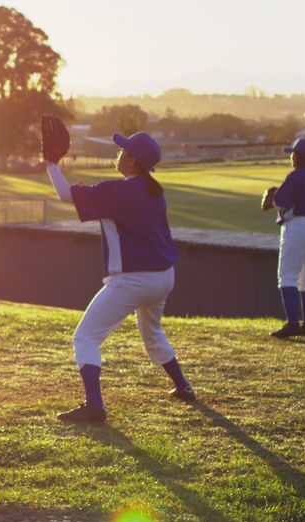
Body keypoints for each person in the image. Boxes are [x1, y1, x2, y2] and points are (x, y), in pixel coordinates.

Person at [45, 132, 195, 425]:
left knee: (85, 337)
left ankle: (94, 407)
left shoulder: (121, 192)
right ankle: (183, 386)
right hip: (164, 277)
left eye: (123, 151)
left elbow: (65, 194)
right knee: (152, 334)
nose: (118, 155)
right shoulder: (154, 190)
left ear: (131, 160)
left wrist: (51, 164)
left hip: (135, 280)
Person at [262, 138, 305, 338]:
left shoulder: (296, 175)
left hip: (298, 226)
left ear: (298, 157)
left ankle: (292, 324)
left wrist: (272, 197)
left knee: (287, 276)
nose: (291, 157)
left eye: (293, 154)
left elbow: (282, 201)